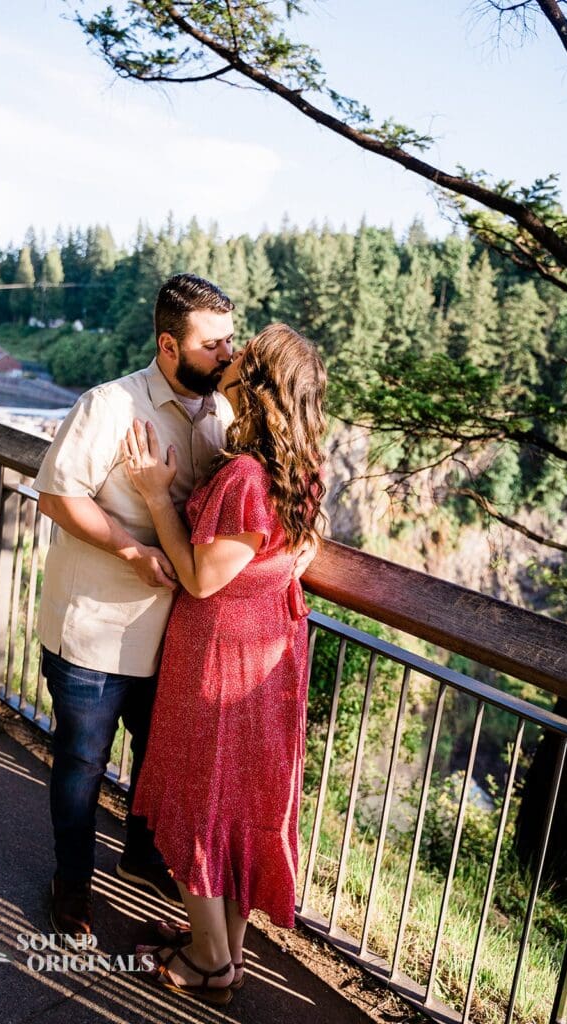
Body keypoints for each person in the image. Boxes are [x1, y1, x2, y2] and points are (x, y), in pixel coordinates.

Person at [122, 323, 327, 1006]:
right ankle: (221, 945)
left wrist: (154, 495)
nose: (228, 360)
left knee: (200, 793)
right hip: (267, 645)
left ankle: (210, 962)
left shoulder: (245, 475)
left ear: (258, 385)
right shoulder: (300, 468)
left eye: (242, 357)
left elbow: (201, 579)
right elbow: (290, 539)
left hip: (222, 653)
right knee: (234, 800)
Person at [33, 273, 237, 937]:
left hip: (176, 634)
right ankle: (70, 887)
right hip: (94, 626)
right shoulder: (109, 405)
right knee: (82, 765)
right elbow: (59, 498)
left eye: (230, 340)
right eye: (213, 344)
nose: (227, 355)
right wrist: (130, 551)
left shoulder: (224, 414)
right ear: (168, 345)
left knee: (158, 759)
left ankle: (143, 859)